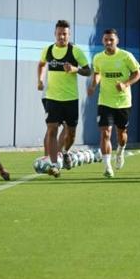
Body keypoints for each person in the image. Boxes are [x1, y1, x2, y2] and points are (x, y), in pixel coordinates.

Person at [36, 19, 91, 176]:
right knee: (52, 129)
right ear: (55, 34)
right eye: (59, 34)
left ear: (69, 35)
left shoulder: (75, 51)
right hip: (52, 97)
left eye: (65, 34)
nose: (62, 37)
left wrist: (75, 69)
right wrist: (40, 80)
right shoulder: (47, 50)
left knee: (70, 133)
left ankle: (65, 152)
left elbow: (89, 71)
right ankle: (54, 164)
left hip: (70, 99)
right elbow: (40, 65)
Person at [87, 29, 140, 177]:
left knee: (121, 134)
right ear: (103, 41)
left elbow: (137, 73)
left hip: (123, 102)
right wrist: (93, 85)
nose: (108, 42)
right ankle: (107, 167)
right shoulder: (98, 58)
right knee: (105, 133)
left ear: (117, 40)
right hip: (104, 101)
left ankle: (120, 152)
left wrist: (125, 84)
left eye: (111, 39)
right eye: (106, 40)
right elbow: (98, 73)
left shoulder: (126, 56)